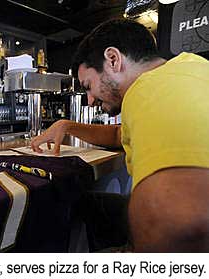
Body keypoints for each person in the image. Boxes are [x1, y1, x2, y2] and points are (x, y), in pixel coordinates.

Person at [31, 19, 209, 252]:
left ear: (113, 60)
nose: (90, 100)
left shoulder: (146, 89)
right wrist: (67, 126)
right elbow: (118, 136)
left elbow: (179, 222)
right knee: (84, 203)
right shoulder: (189, 68)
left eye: (88, 86)